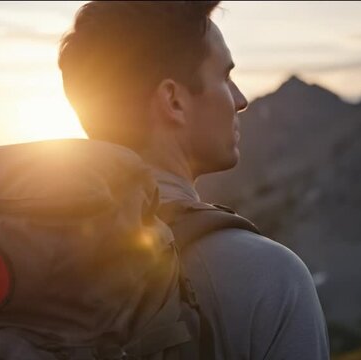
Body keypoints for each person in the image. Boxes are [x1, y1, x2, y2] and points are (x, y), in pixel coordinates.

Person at [58, 1, 330, 359]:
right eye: (225, 76)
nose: (241, 100)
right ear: (173, 101)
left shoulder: (33, 263)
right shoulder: (269, 278)